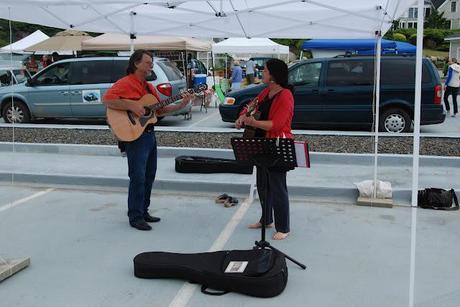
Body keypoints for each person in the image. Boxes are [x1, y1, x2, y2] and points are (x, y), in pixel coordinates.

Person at [102, 50, 193, 231]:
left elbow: (158, 111)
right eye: (147, 62)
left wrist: (182, 104)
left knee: (149, 175)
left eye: (151, 63)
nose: (151, 65)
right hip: (135, 137)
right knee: (138, 177)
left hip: (149, 135)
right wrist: (132, 105)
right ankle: (135, 216)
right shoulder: (125, 83)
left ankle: (143, 211)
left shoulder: (149, 88)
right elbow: (107, 99)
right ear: (136, 64)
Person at [235, 59, 294, 240]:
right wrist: (242, 117)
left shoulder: (285, 96)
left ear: (273, 76)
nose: (262, 73)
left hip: (277, 144)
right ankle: (266, 219)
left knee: (277, 186)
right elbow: (250, 106)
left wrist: (253, 122)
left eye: (265, 71)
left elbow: (276, 125)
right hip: (261, 143)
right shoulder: (266, 91)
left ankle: (283, 227)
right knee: (262, 184)